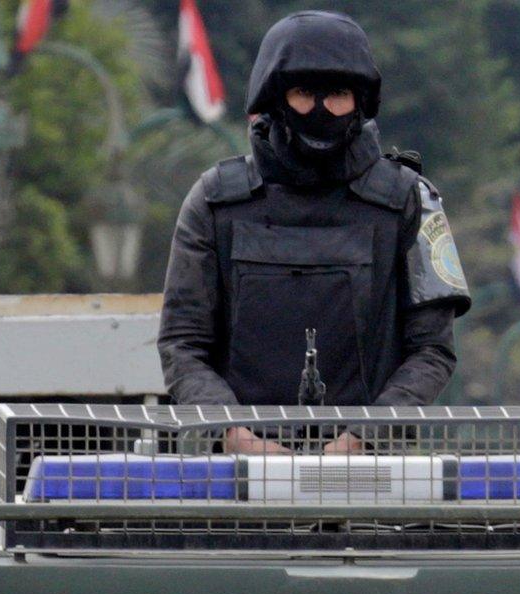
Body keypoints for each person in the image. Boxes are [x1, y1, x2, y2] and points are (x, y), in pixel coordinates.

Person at [156, 10, 471, 455]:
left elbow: (433, 351)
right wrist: (233, 435)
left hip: (371, 478)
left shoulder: (409, 201)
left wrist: (365, 437)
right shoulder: (214, 200)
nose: (322, 109)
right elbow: (182, 343)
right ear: (275, 96)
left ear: (360, 101)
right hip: (241, 481)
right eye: (305, 92)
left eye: (338, 93)